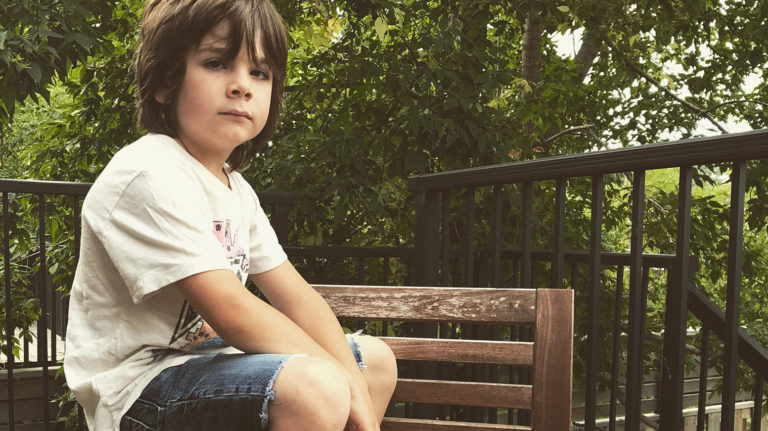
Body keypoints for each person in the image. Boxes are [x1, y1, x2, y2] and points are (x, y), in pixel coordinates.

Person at [63, 1, 398, 430]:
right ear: (165, 82)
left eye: (259, 72)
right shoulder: (147, 172)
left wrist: (353, 382)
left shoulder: (235, 189)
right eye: (216, 63)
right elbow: (231, 310)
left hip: (207, 362)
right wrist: (340, 380)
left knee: (375, 362)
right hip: (136, 387)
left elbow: (297, 297)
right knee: (318, 384)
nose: (242, 86)